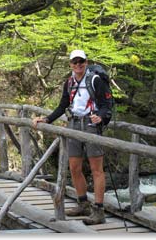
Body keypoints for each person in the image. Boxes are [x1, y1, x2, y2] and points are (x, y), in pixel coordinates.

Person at [33, 49, 112, 225]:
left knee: (96, 169)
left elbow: (107, 104)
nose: (78, 65)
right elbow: (63, 105)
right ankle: (83, 204)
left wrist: (101, 117)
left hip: (92, 125)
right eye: (75, 62)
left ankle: (99, 211)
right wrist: (46, 119)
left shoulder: (95, 80)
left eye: (81, 61)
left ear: (86, 62)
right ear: (70, 64)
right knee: (74, 167)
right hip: (73, 124)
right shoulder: (69, 82)